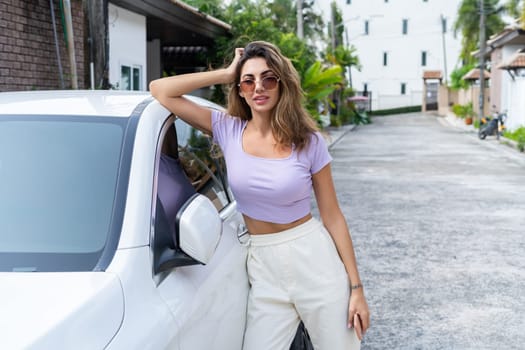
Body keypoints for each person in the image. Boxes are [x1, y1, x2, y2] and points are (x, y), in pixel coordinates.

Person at [150, 41, 370, 350]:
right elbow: (160, 89)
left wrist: (356, 288)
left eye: (268, 79)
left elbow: (332, 216)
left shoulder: (308, 142)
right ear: (239, 89)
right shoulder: (228, 129)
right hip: (264, 265)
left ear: (281, 84)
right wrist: (226, 73)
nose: (259, 88)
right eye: (248, 80)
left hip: (314, 259)